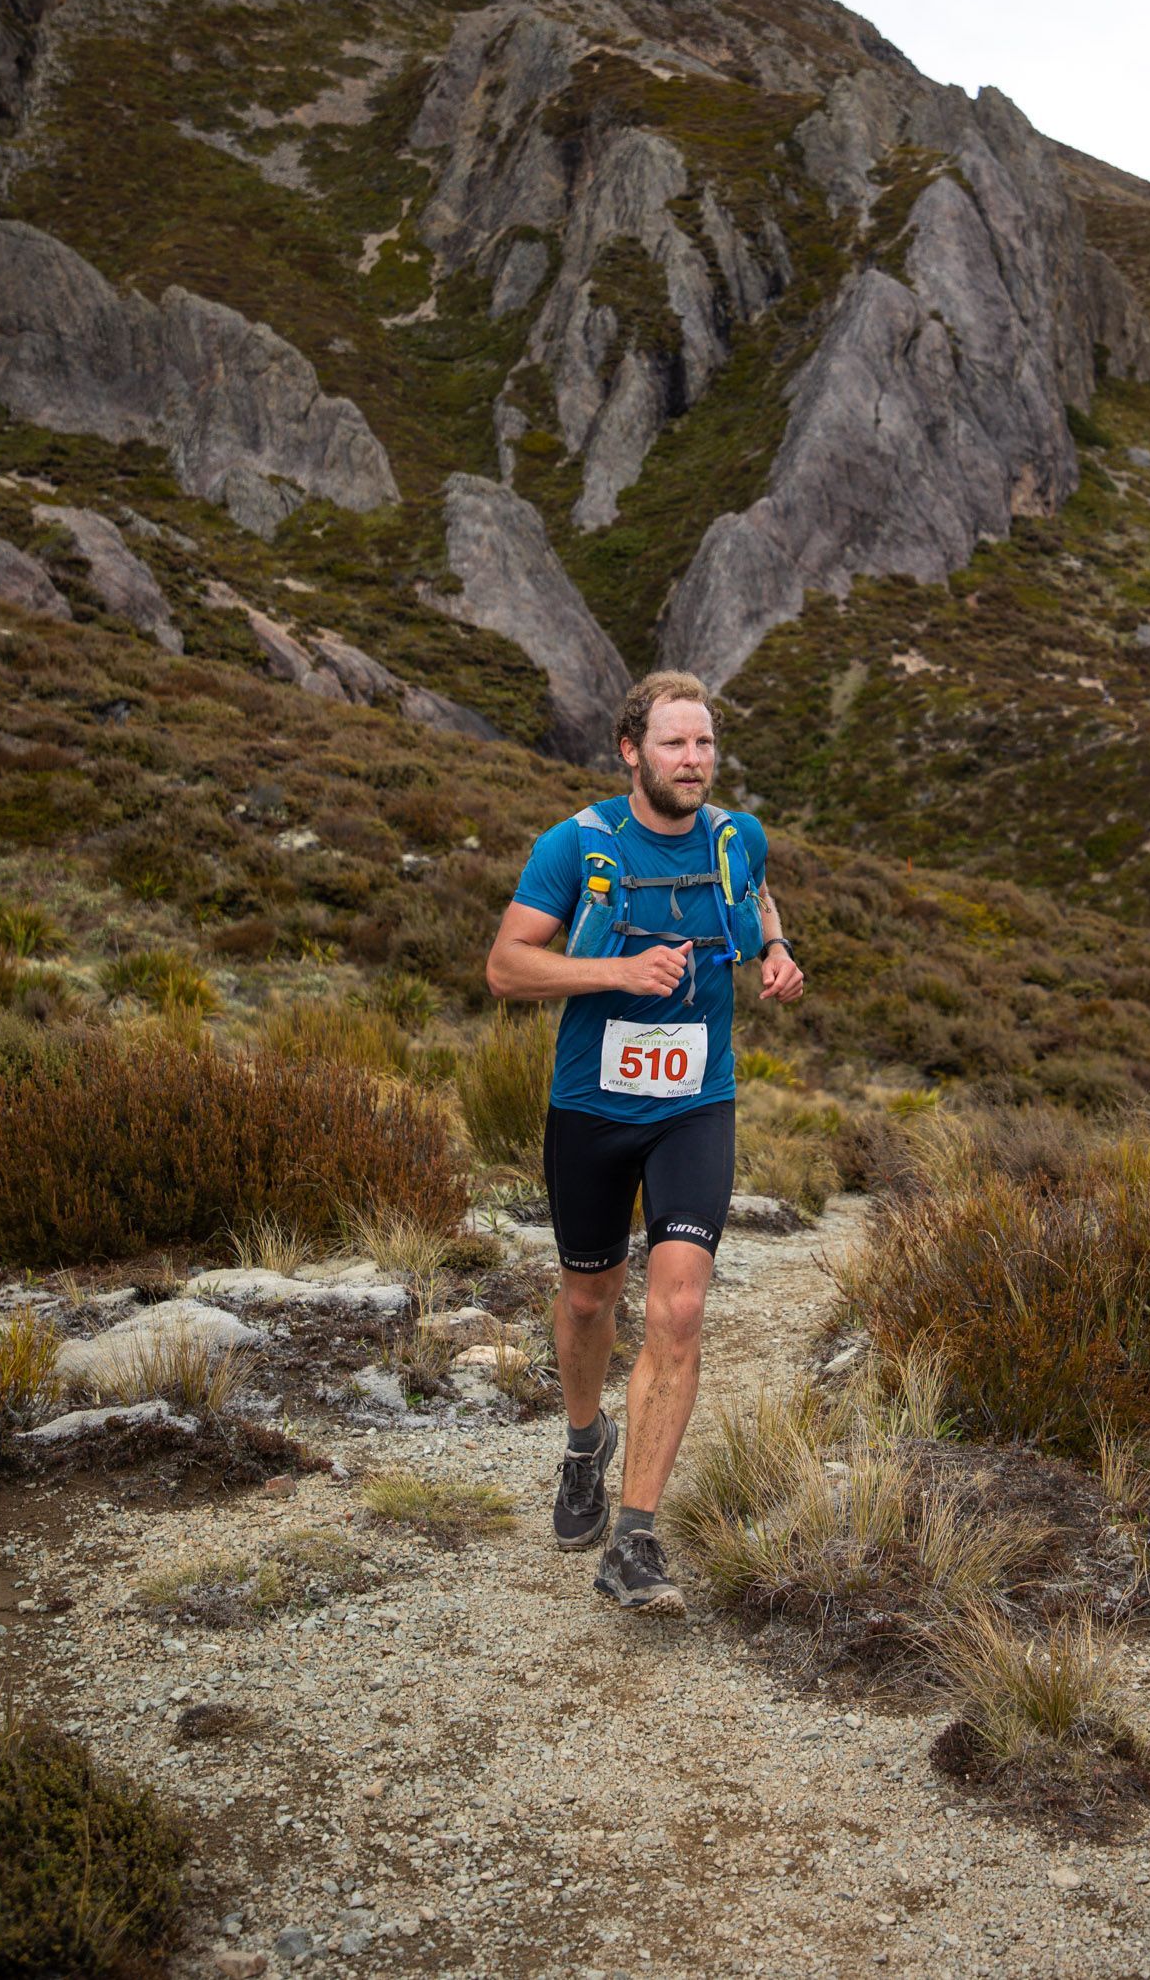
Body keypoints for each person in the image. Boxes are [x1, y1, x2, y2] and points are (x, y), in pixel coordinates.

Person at [485, 670, 805, 1615]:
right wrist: (618, 971)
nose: (693, 760)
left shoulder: (734, 838)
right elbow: (506, 968)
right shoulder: (577, 846)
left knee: (677, 1309)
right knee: (590, 1301)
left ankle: (634, 1540)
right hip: (590, 1106)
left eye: (704, 744)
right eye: (674, 744)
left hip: (694, 1105)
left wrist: (778, 956)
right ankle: (585, 1444)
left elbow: (759, 903)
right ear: (631, 752)